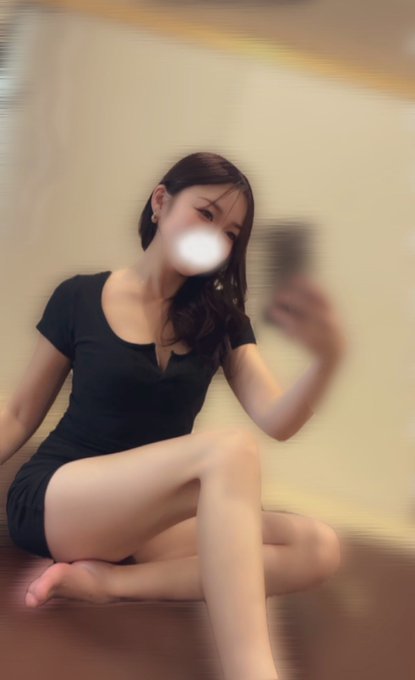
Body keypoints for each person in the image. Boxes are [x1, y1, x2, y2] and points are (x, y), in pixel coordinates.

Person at [2, 151, 346, 680]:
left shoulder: (221, 322)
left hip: (145, 526)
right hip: (59, 501)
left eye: (230, 233)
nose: (215, 238)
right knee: (229, 450)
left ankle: (110, 585)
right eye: (206, 214)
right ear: (161, 202)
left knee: (317, 547)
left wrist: (327, 360)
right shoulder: (79, 296)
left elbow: (278, 419)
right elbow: (20, 412)